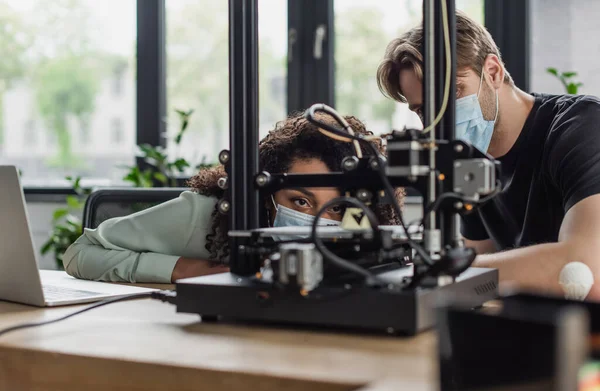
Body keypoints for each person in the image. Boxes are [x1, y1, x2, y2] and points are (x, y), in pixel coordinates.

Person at [376, 10, 600, 299]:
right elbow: (476, 265)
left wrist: (444, 269)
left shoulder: (581, 127)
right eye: (423, 110)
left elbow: (586, 271)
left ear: (492, 72)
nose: (438, 120)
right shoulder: (468, 163)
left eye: (452, 94)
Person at [63, 113, 404, 283]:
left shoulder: (360, 225)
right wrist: (181, 268)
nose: (320, 220)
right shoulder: (204, 216)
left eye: (337, 208)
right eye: (300, 202)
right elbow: (81, 253)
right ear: (263, 191)